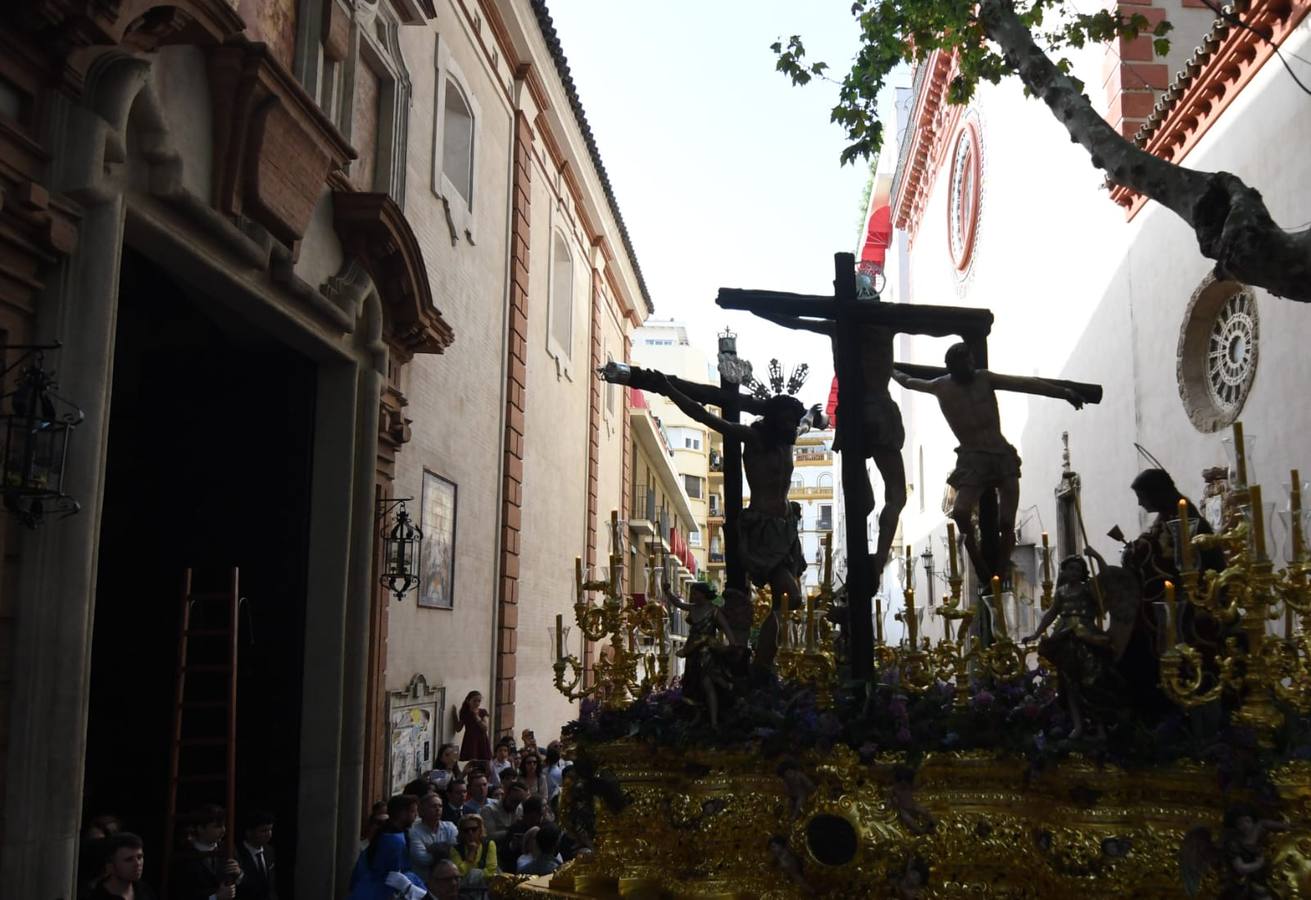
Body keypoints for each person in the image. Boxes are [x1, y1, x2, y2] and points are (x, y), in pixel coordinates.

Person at [652, 373, 809, 672]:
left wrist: (817, 414)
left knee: (785, 602)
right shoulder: (754, 438)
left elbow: (808, 421)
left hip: (786, 528)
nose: (792, 426)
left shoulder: (790, 438)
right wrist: (669, 388)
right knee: (792, 597)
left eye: (794, 421)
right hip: (762, 530)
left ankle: (763, 664)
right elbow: (706, 417)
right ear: (774, 419)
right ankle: (761, 663)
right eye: (787, 420)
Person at [893, 343, 1084, 580]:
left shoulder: (983, 378)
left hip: (1001, 454)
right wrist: (887, 367)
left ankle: (1001, 572)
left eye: (972, 362)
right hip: (972, 459)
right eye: (967, 364)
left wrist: (1064, 392)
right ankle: (979, 563)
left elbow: (1025, 383)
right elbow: (906, 381)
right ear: (954, 367)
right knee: (961, 512)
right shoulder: (940, 386)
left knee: (1006, 522)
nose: (972, 367)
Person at [1023, 556, 1112, 740]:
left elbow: (1107, 577)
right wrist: (1036, 634)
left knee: (1091, 683)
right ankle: (1078, 725)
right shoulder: (1062, 592)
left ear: (1082, 573)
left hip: (1086, 638)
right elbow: (1050, 614)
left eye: (1077, 570)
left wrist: (1095, 555)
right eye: (1070, 569)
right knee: (1069, 684)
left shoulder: (1089, 589)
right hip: (1065, 638)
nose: (1073, 573)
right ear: (1064, 571)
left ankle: (1100, 726)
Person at [348, 794, 424, 900]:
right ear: (401, 813)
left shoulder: (387, 833)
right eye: (413, 811)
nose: (416, 815)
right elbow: (394, 877)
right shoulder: (393, 840)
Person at [168, 805, 242, 900]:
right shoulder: (184, 855)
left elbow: (247, 886)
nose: (224, 830)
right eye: (217, 826)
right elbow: (181, 894)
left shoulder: (229, 848)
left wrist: (239, 874)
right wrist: (215, 897)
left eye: (224, 825)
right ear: (200, 828)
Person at [89, 832, 155, 900]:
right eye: (129, 859)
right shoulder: (96, 897)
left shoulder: (145, 891)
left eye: (139, 857)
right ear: (110, 865)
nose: (137, 863)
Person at [409, 793, 458, 881]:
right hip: (424, 880)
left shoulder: (450, 827)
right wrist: (444, 850)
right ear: (422, 810)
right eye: (433, 806)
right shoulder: (414, 832)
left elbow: (455, 854)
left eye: (440, 806)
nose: (438, 809)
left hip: (447, 880)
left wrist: (433, 850)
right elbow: (423, 859)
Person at [449, 814, 498, 897]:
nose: (470, 833)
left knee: (476, 873)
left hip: (484, 885)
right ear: (461, 832)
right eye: (466, 830)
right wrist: (470, 855)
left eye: (474, 829)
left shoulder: (489, 844)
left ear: (480, 830)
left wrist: (475, 874)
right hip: (463, 888)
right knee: (475, 873)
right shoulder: (455, 849)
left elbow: (491, 870)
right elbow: (459, 873)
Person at [235, 810, 278, 900]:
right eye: (263, 831)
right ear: (249, 832)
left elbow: (270, 886)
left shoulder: (269, 851)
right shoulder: (236, 853)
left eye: (270, 829)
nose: (269, 834)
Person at [481, 780, 527, 845]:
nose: (515, 806)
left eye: (518, 802)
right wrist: (511, 831)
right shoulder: (488, 810)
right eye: (513, 801)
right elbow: (489, 836)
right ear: (505, 794)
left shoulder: (519, 808)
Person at [502, 795, 543, 867]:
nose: (533, 820)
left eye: (537, 817)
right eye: (531, 817)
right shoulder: (515, 828)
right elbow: (504, 854)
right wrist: (512, 846)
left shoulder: (545, 827)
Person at [453, 692, 492, 765]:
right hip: (470, 740)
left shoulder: (482, 712)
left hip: (481, 740)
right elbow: (458, 729)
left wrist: (476, 716)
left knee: (484, 763)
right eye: (475, 701)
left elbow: (485, 728)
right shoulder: (465, 713)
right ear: (468, 701)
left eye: (479, 701)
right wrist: (455, 715)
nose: (477, 703)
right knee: (471, 763)